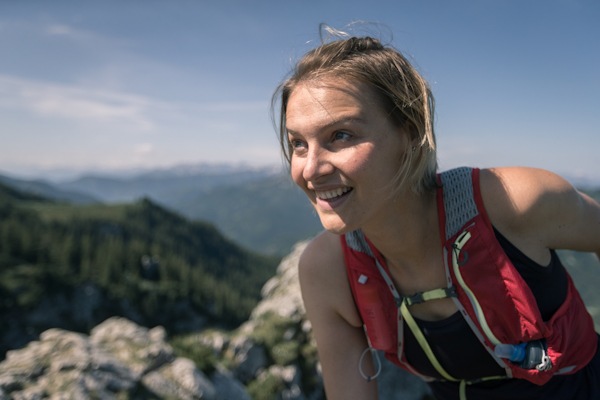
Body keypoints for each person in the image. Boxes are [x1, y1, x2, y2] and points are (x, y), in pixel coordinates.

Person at [272, 27, 600, 400]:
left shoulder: (513, 202)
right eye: (298, 143)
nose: (310, 169)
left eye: (341, 135)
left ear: (410, 132)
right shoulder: (327, 269)